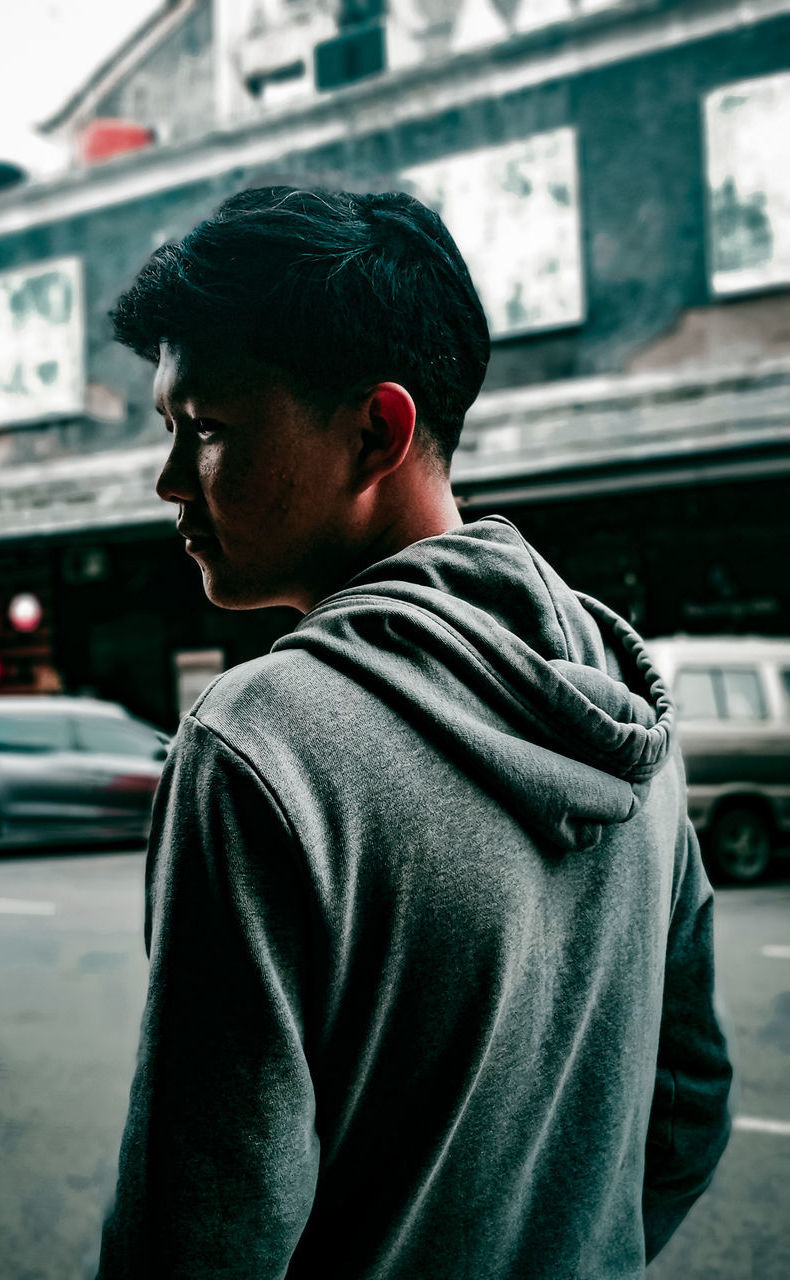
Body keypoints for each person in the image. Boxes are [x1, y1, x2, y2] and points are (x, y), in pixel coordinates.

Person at [95, 187, 732, 1279]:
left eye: (205, 430)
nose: (168, 481)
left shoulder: (262, 743)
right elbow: (687, 1109)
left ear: (376, 429)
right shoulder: (619, 692)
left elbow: (200, 1235)